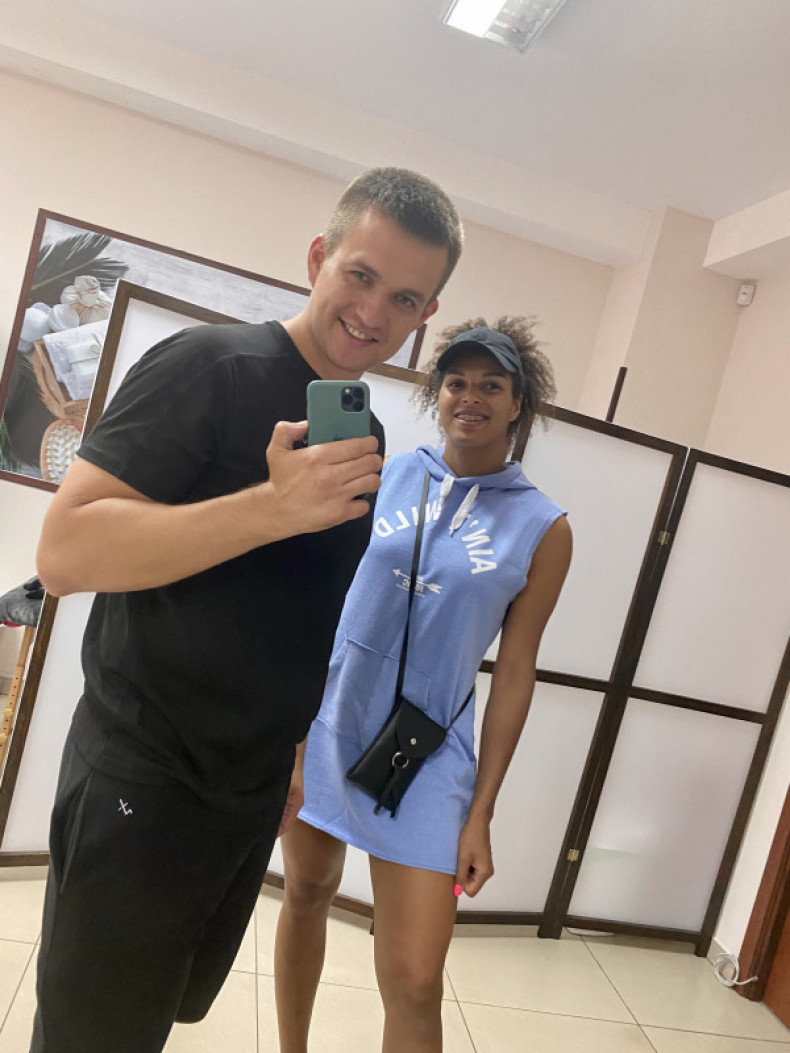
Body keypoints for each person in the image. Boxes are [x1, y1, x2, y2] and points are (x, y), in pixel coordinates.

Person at [31, 167, 463, 1053]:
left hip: (249, 786)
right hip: (144, 773)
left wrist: (294, 747)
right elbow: (64, 553)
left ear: (426, 315)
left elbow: (306, 599)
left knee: (163, 1010)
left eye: (404, 298)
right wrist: (270, 507)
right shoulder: (206, 367)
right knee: (94, 1033)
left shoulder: (365, 436)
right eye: (361, 275)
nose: (373, 312)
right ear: (317, 257)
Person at [275, 317, 573, 1053]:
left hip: (426, 752)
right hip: (331, 719)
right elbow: (315, 587)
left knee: (414, 979)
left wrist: (481, 812)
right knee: (306, 892)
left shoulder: (543, 527)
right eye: (456, 382)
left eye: (491, 385)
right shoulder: (389, 471)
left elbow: (515, 670)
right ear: (435, 394)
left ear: (519, 403)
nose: (470, 396)